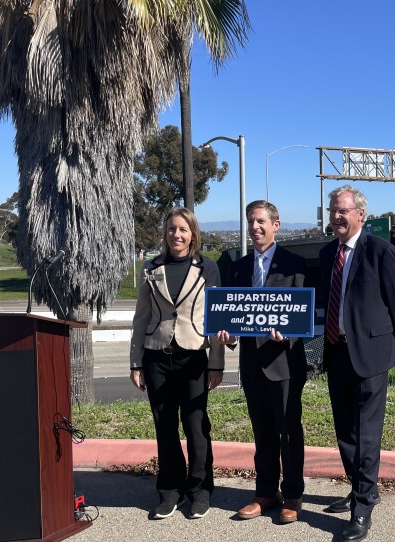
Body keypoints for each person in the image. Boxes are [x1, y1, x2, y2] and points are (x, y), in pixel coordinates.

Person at [319, 185, 395, 541]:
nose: (337, 216)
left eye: (343, 210)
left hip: (370, 355)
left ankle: (362, 510)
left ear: (360, 215)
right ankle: (363, 490)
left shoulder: (380, 251)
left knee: (366, 434)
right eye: (332, 210)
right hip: (336, 351)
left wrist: (387, 343)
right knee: (345, 432)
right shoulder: (328, 254)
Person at [215, 200, 308, 524]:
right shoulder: (237, 267)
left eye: (261, 222)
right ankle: (266, 492)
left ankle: (293, 496)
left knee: (288, 433)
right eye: (251, 222)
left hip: (284, 363)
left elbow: (305, 316)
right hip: (252, 365)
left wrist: (290, 334)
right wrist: (229, 336)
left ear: (276, 225)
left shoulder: (295, 265)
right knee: (262, 433)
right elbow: (232, 315)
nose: (255, 227)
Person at [130, 208, 224, 520]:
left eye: (183, 229)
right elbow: (141, 317)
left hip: (193, 356)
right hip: (156, 355)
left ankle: (199, 489)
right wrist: (136, 362)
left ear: (193, 234)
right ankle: (169, 490)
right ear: (165, 233)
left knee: (196, 426)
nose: (177, 235)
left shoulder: (207, 268)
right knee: (164, 425)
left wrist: (217, 363)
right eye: (172, 229)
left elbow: (217, 318)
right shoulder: (151, 267)